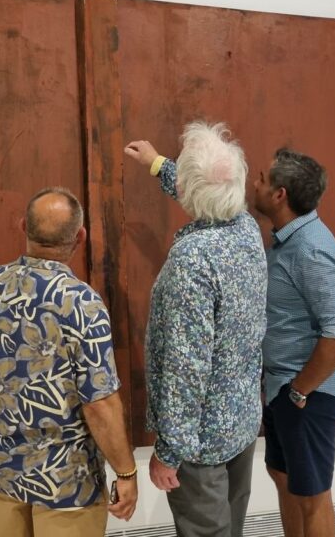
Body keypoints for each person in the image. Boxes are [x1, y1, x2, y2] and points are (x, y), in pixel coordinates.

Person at [0, 187, 138, 537]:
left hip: (2, 472)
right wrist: (126, 471)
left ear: (23, 226)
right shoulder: (82, 303)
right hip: (66, 483)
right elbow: (100, 403)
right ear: (80, 236)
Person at [124, 121, 268, 537]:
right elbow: (208, 192)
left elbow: (186, 369)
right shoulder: (245, 228)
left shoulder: (192, 261)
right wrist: (157, 164)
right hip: (240, 424)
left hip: (199, 443)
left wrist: (169, 452)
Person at [253, 147, 335, 537]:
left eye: (263, 179)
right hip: (286, 388)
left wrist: (299, 390)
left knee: (312, 496)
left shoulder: (311, 249)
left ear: (280, 195)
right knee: (283, 477)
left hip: (309, 394)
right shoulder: (288, 240)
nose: (255, 184)